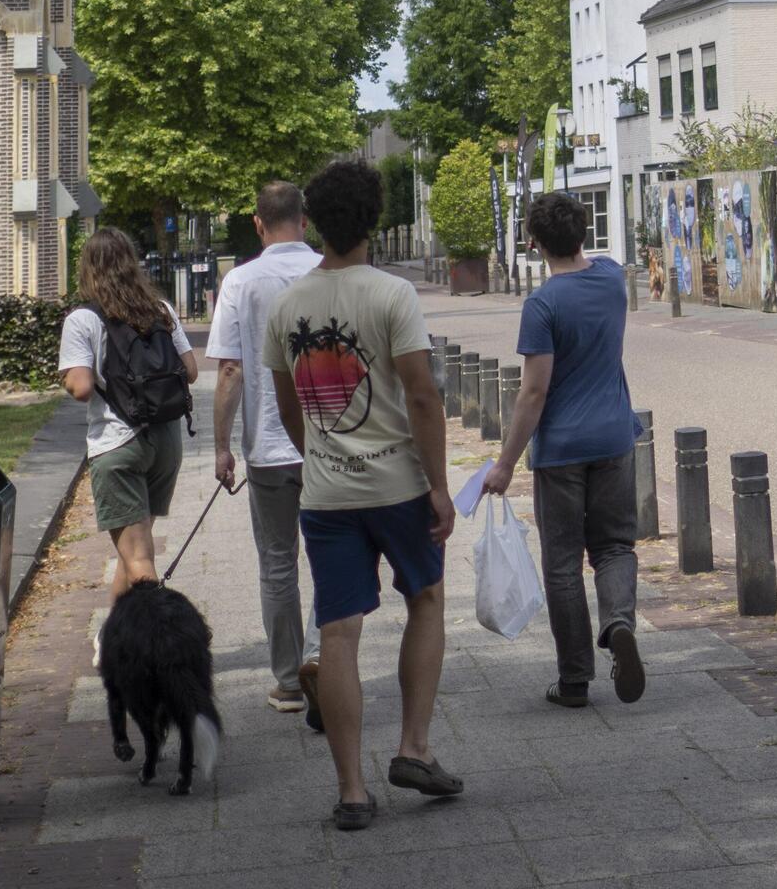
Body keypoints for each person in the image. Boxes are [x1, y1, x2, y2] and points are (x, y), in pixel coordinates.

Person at [265, 161, 461, 832]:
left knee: (338, 634)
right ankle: (414, 747)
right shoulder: (392, 296)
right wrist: (438, 485)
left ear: (314, 221)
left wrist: (319, 453)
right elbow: (423, 395)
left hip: (326, 495)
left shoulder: (287, 305)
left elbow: (289, 405)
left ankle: (351, 791)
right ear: (374, 220)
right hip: (399, 485)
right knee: (426, 600)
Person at [484, 191, 644, 707]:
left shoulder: (543, 304)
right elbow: (596, 260)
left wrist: (505, 463)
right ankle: (618, 621)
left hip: (561, 451)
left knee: (562, 563)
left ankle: (575, 678)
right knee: (615, 546)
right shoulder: (614, 279)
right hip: (615, 438)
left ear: (533, 244)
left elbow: (534, 392)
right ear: (583, 232)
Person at [208, 178, 325, 715]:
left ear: (258, 223)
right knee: (333, 555)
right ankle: (326, 657)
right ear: (304, 219)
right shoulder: (329, 270)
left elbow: (231, 368)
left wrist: (221, 447)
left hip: (270, 448)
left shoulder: (242, 282)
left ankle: (288, 680)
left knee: (278, 561)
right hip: (331, 443)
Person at [59, 227, 197, 595]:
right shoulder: (161, 310)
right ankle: (114, 642)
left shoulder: (83, 319)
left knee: (138, 560)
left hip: (118, 444)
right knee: (135, 549)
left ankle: (154, 646)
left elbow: (82, 387)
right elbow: (192, 371)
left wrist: (67, 378)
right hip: (165, 442)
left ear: (88, 269)